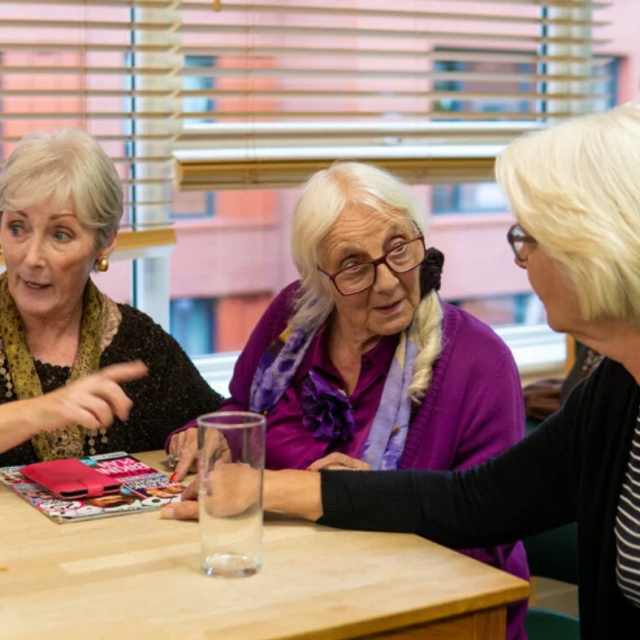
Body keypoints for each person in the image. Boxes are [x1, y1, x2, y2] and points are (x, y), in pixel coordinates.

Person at [167, 104, 640, 637]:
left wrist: (274, 489)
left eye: (531, 236)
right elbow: (470, 501)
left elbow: (476, 532)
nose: (521, 257)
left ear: (598, 249)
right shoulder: (615, 390)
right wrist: (267, 489)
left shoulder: (484, 360)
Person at [165, 161, 529, 639]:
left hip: (421, 615)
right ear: (320, 278)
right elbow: (244, 409)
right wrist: (210, 435)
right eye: (353, 264)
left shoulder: (479, 364)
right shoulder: (292, 319)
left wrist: (366, 503)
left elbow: (487, 538)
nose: (386, 281)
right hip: (287, 590)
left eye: (399, 249)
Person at [0, 128, 222, 467]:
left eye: (60, 234)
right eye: (17, 227)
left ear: (105, 243)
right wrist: (39, 411)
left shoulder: (139, 343)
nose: (31, 258)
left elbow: (222, 421)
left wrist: (208, 435)